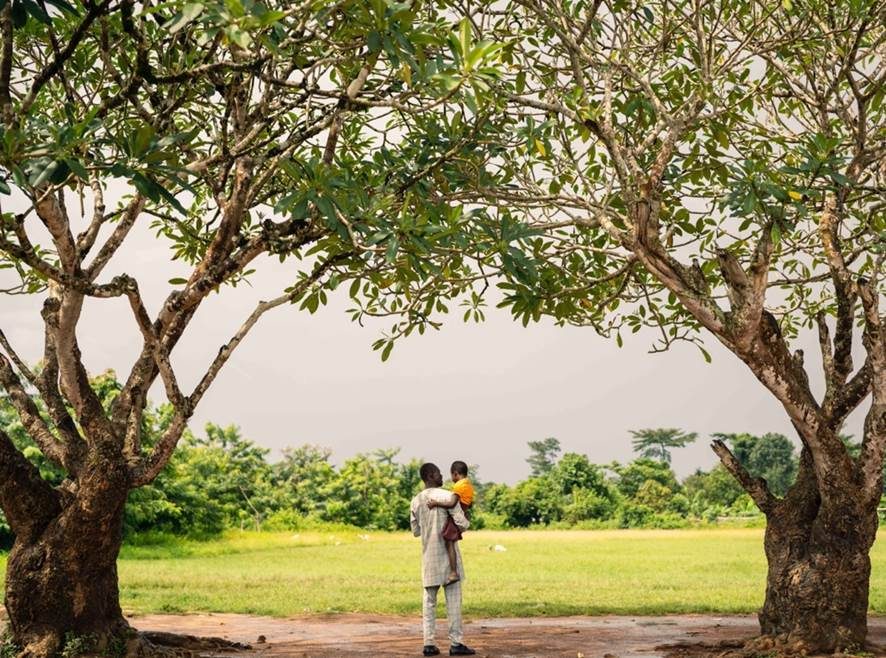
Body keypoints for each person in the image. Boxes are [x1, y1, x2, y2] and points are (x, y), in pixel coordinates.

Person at [410, 463, 476, 657]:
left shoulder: (415, 501)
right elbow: (462, 525)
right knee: (453, 601)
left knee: (429, 601)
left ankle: (428, 644)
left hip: (428, 557)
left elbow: (416, 531)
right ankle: (456, 643)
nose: (442, 477)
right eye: (438, 473)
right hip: (449, 558)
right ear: (431, 475)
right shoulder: (447, 496)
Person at [427, 461, 475, 585]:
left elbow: (452, 503)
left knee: (449, 542)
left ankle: (453, 573)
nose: (451, 479)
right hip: (463, 513)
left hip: (456, 517)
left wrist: (435, 503)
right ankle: (452, 571)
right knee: (450, 542)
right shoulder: (468, 484)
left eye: (452, 475)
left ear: (455, 474)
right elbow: (470, 503)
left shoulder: (459, 485)